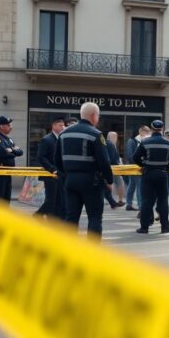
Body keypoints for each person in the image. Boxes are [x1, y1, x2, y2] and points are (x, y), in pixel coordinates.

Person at [55, 102, 113, 241]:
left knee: (71, 218)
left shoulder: (63, 134)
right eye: (98, 116)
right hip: (91, 182)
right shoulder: (96, 134)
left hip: (70, 181)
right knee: (94, 217)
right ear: (93, 116)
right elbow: (104, 162)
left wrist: (66, 177)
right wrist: (109, 180)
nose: (98, 118)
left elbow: (57, 161)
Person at [132, 120, 169, 234]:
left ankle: (144, 227)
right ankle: (165, 227)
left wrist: (143, 165)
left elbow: (135, 157)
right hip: (162, 174)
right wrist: (166, 169)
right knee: (163, 200)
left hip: (148, 174)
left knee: (147, 201)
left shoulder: (145, 142)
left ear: (152, 129)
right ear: (162, 129)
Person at [35, 116, 65, 218]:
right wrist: (52, 169)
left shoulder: (61, 139)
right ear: (54, 126)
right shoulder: (46, 139)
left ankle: (55, 219)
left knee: (59, 199)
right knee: (51, 199)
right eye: (61, 125)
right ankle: (38, 215)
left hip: (60, 174)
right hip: (50, 174)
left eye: (63, 125)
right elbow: (40, 157)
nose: (63, 127)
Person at [0, 116, 23, 202]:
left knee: (6, 197)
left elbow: (20, 152)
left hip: (7, 171)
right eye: (8, 125)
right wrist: (14, 150)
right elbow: (3, 153)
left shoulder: (9, 139)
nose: (11, 127)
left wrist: (11, 150)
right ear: (1, 126)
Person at [125, 125, 150, 211]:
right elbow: (129, 155)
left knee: (132, 185)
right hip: (134, 167)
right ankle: (140, 206)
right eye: (145, 131)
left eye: (148, 131)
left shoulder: (144, 141)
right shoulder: (132, 141)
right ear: (140, 131)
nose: (147, 133)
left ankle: (129, 204)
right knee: (138, 186)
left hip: (139, 166)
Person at [103, 131, 124, 209]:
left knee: (110, 183)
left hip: (111, 167)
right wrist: (118, 164)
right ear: (112, 137)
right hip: (113, 168)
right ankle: (116, 201)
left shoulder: (108, 143)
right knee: (116, 183)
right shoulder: (110, 144)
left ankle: (113, 201)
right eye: (116, 137)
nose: (117, 139)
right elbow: (112, 157)